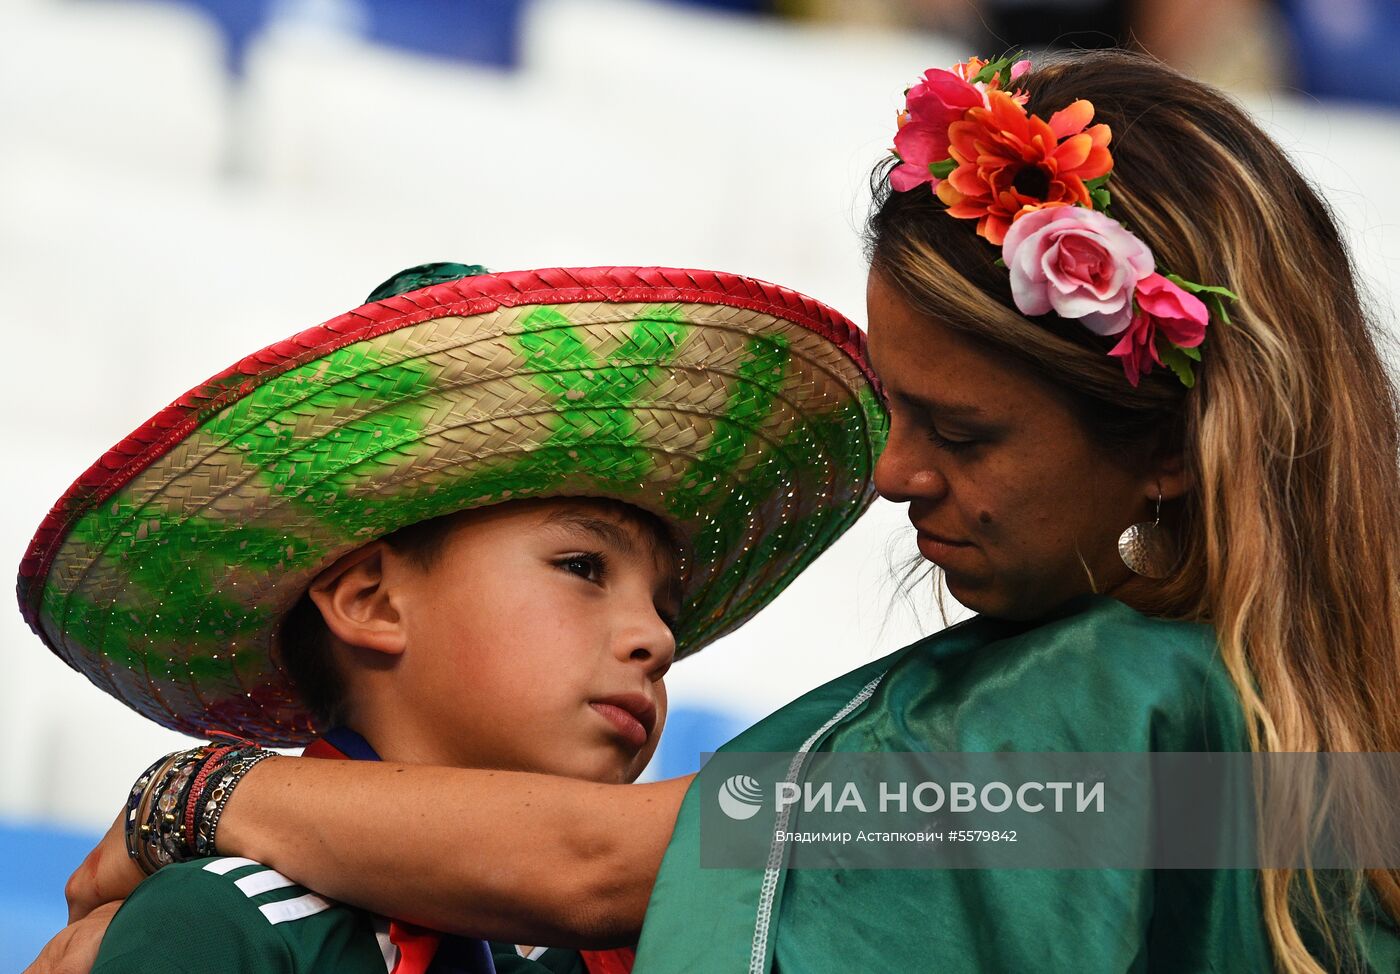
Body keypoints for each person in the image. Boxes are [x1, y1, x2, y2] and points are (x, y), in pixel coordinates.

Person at [36, 48, 1400, 973]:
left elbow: (603, 862)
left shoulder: (1144, 712)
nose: (893, 473)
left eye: (966, 430)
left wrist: (206, 789)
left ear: (1164, 446)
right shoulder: (1289, 719)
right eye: (582, 564)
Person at [18, 262, 886, 973]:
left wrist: (202, 792)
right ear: (370, 600)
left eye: (663, 604)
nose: (658, 638)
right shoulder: (228, 924)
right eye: (583, 568)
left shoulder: (651, 946)